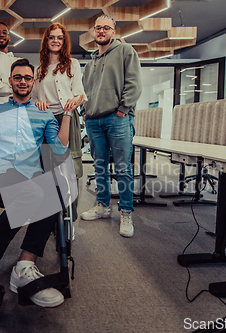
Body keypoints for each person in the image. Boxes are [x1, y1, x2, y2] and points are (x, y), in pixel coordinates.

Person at [0, 58, 73, 309]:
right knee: (34, 192)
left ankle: (25, 265)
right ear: (10, 81)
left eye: (27, 78)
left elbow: (60, 148)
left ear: (33, 82)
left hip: (30, 174)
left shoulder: (43, 113)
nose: (22, 81)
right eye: (17, 77)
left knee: (55, 189)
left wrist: (67, 114)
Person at [79, 14, 143, 238]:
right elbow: (85, 92)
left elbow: (134, 83)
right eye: (97, 28)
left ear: (113, 32)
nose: (101, 31)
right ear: (93, 32)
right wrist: (85, 114)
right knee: (99, 167)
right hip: (94, 120)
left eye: (106, 28)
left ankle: (126, 211)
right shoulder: (90, 63)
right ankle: (103, 206)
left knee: (123, 168)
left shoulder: (126, 51)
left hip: (118, 118)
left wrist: (123, 109)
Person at [31, 23, 86, 224]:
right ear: (46, 41)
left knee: (70, 168)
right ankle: (51, 219)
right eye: (51, 37)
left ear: (64, 42)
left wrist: (75, 101)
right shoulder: (39, 70)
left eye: (59, 38)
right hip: (46, 122)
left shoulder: (73, 64)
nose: (55, 40)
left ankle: (69, 218)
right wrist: (38, 101)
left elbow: (80, 93)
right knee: (48, 169)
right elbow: (34, 98)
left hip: (67, 117)